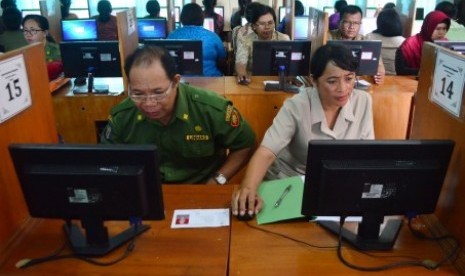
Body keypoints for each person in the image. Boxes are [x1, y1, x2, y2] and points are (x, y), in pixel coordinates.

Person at [231, 43, 374, 217]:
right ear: (313, 81)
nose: (343, 88)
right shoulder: (297, 105)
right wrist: (248, 188)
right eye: (332, 81)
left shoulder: (363, 101)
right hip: (289, 183)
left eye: (349, 78)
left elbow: (366, 155)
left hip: (335, 186)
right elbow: (267, 151)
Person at [101, 45, 256, 184]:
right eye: (138, 94)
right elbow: (108, 161)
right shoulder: (122, 116)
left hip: (201, 189)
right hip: (146, 190)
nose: (148, 103)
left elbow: (246, 144)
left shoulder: (211, 109)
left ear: (175, 82)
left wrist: (218, 179)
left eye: (158, 93)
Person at [328, 5, 385, 85]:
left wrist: (379, 73)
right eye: (347, 22)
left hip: (358, 83)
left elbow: (379, 66)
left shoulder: (366, 41)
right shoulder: (327, 37)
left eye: (356, 23)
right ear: (339, 22)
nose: (352, 27)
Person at [235, 3, 289, 83]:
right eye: (262, 24)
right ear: (253, 26)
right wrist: (242, 74)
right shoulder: (245, 40)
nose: (267, 27)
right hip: (253, 81)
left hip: (278, 81)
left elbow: (290, 64)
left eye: (270, 23)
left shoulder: (283, 39)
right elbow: (240, 62)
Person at [167, 3, 226, 77]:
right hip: (211, 82)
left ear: (182, 18)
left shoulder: (172, 36)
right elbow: (223, 60)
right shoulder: (213, 37)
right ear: (202, 18)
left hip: (180, 83)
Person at [396, 11, 450, 76]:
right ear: (428, 27)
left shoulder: (445, 44)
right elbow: (400, 70)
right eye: (437, 29)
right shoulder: (410, 45)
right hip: (411, 82)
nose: (441, 32)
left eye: (444, 29)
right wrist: (423, 73)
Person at [22, 14, 62, 80]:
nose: (28, 34)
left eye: (33, 30)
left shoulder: (57, 51)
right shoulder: (24, 52)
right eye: (25, 30)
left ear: (45, 33)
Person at [366, 8, 405, 75]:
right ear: (398, 23)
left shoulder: (368, 38)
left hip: (374, 77)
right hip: (397, 79)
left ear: (379, 23)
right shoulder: (404, 42)